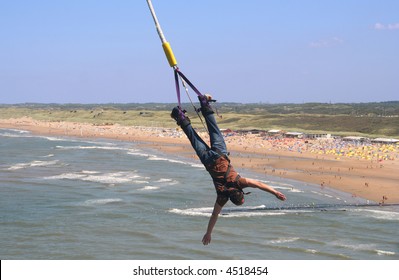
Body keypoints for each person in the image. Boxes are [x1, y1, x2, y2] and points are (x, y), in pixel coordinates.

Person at [171, 94, 286, 245]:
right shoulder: (222, 196)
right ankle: (179, 116)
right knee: (193, 137)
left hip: (220, 154)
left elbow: (258, 184)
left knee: (213, 128)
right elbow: (214, 215)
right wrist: (208, 233)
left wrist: (275, 192)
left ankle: (204, 103)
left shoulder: (240, 183)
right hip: (207, 160)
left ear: (241, 194)